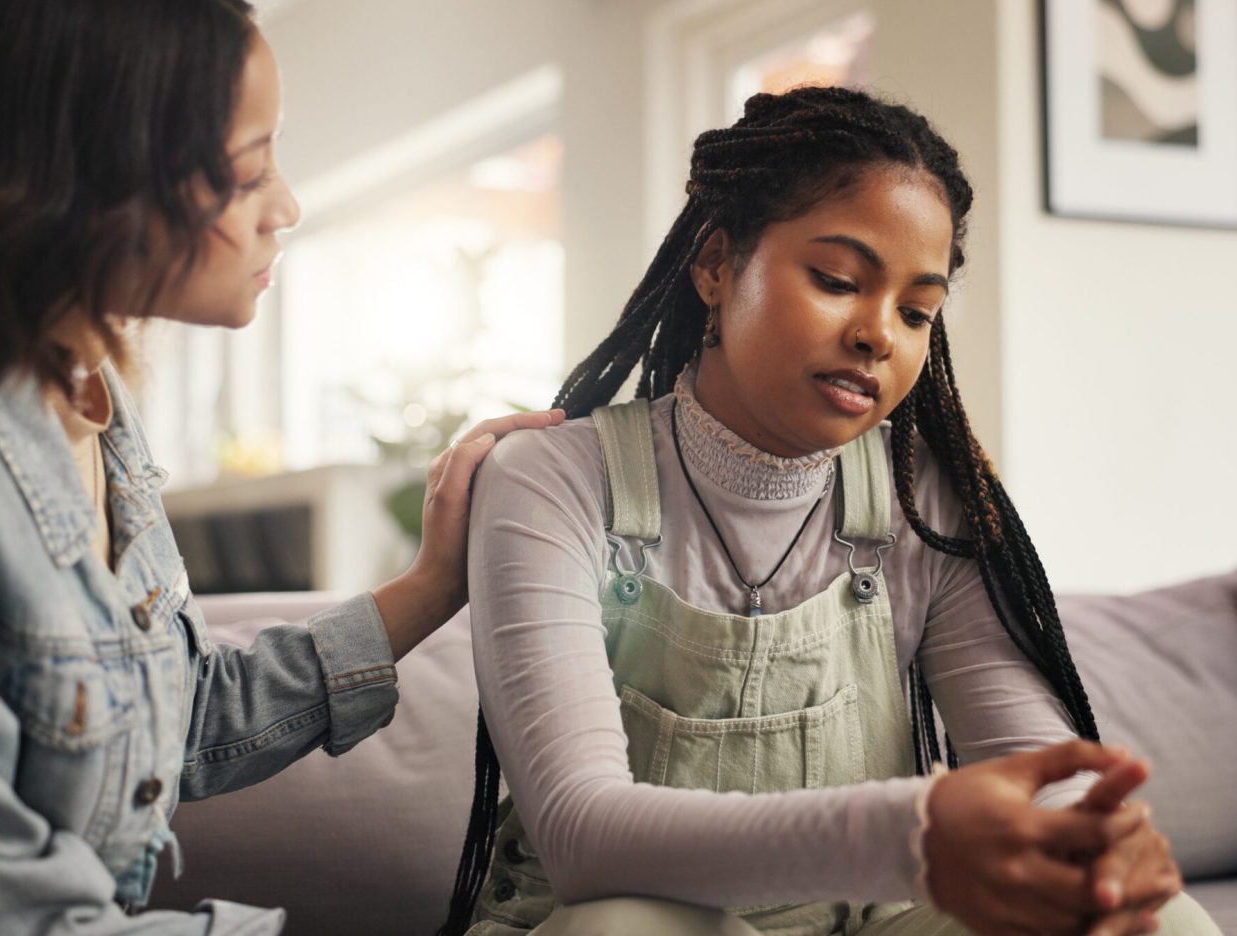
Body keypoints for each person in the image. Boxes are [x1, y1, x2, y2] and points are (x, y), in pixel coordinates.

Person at [0, 1, 561, 933]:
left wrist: (436, 582)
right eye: (250, 170)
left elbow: (177, 716)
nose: (287, 206)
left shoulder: (83, 397)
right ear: (92, 176)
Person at [441, 87, 1220, 936]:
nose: (878, 333)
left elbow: (1037, 763)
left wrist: (1087, 835)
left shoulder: (921, 501)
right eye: (838, 280)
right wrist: (914, 833)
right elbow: (583, 835)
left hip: (867, 921)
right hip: (629, 920)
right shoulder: (552, 480)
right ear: (715, 265)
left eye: (916, 311)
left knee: (1161, 924)